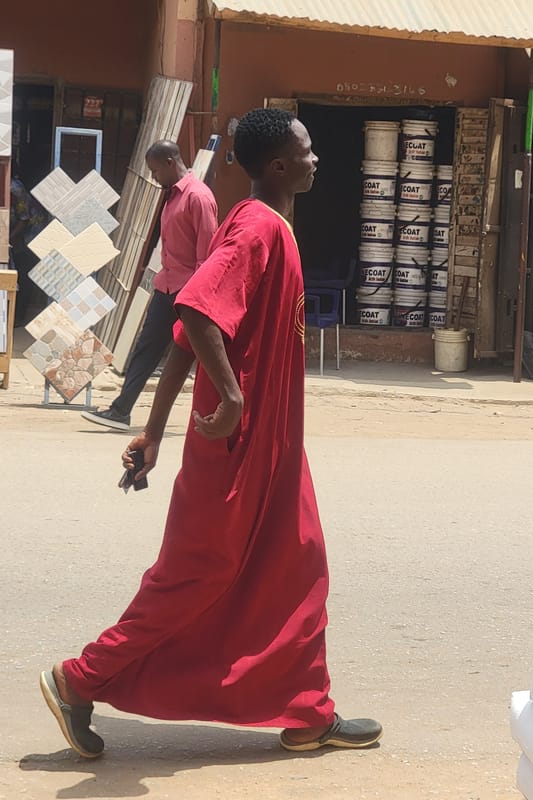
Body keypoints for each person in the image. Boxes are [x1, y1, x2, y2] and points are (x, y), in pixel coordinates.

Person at [40, 108, 382, 757]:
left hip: (271, 446)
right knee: (197, 575)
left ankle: (308, 711)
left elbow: (182, 336)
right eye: (307, 151)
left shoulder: (265, 224)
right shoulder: (257, 228)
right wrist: (228, 395)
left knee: (297, 565)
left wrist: (153, 431)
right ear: (279, 164)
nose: (316, 160)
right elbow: (196, 314)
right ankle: (77, 679)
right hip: (236, 444)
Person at [81, 140, 218, 431]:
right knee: (145, 349)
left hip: (189, 293)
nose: (153, 177)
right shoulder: (171, 196)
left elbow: (206, 257)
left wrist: (197, 299)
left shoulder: (198, 197)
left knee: (207, 356)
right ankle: (121, 411)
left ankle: (225, 412)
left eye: (155, 170)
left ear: (170, 162)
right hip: (166, 287)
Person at [9, 169, 46, 326]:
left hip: (30, 234)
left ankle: (18, 317)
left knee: (23, 274)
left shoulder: (14, 188)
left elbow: (24, 219)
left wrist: (7, 239)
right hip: (17, 233)